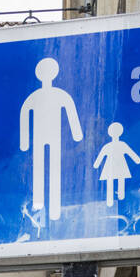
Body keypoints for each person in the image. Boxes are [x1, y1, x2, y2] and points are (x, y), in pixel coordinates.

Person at [19, 58, 83, 222]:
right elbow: (25, 114)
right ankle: (44, 207)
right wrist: (24, 142)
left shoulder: (42, 96)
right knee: (46, 168)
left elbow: (25, 114)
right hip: (46, 137)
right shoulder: (52, 95)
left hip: (50, 137)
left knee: (48, 168)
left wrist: (25, 142)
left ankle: (50, 209)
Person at [93, 122, 140, 206]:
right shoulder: (121, 145)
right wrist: (137, 160)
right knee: (119, 180)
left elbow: (99, 159)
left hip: (111, 166)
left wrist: (96, 165)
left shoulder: (108, 146)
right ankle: (120, 197)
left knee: (111, 181)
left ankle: (112, 200)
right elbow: (132, 155)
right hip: (119, 166)